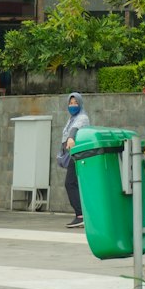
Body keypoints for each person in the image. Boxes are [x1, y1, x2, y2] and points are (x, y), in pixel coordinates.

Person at [60, 91, 90, 229]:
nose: (73, 105)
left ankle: (80, 215)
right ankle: (83, 215)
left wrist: (71, 138)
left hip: (78, 155)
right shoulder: (71, 118)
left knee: (70, 183)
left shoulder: (82, 117)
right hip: (73, 154)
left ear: (80, 103)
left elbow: (75, 129)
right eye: (70, 103)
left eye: (75, 102)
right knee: (77, 184)